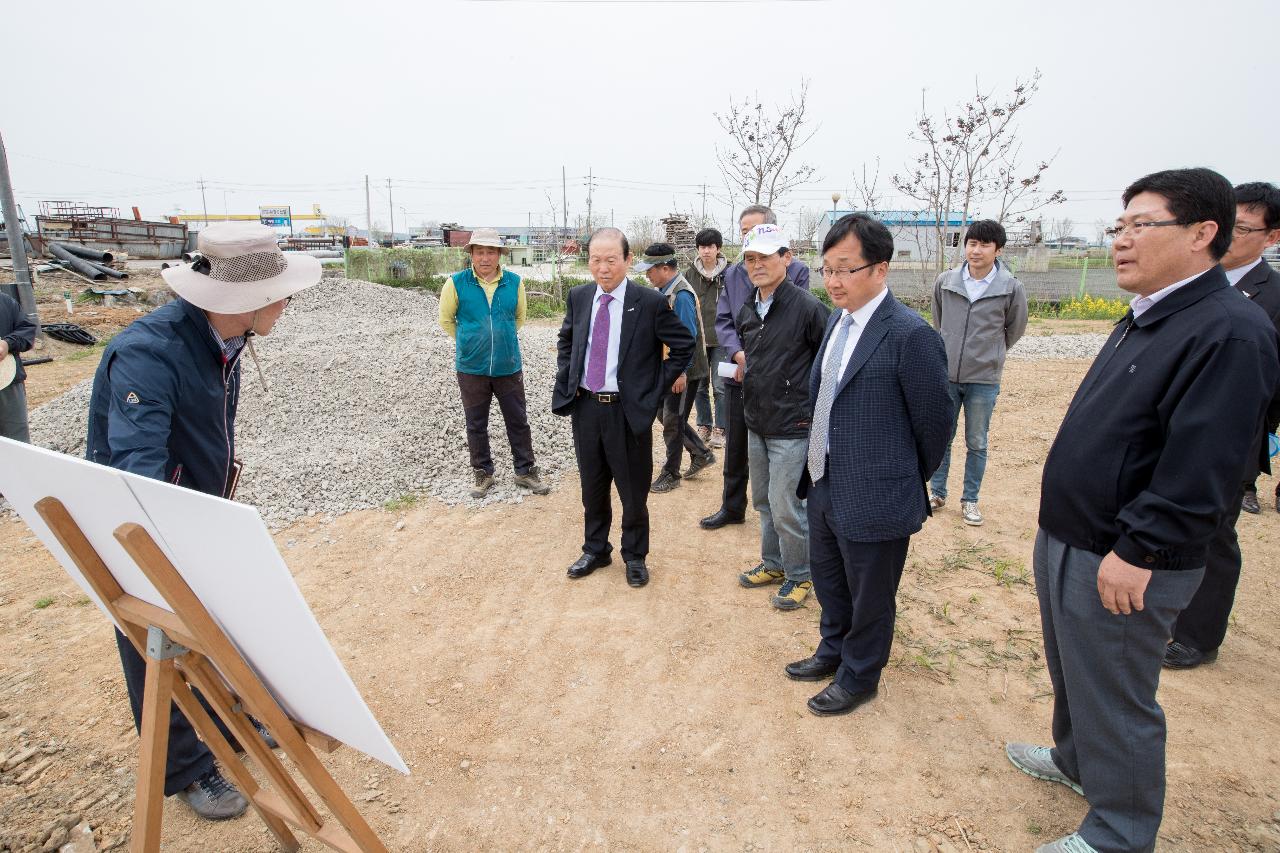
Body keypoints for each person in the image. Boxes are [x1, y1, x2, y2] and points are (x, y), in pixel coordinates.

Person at [1005, 168, 1279, 853]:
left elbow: (1204, 466)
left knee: (1119, 692)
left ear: (1201, 233)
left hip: (1127, 557)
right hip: (1074, 534)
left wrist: (1142, 551)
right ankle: (1075, 759)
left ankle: (1120, 830)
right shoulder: (1154, 311)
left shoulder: (1229, 331)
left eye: (1139, 225)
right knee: (1075, 668)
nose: (1120, 241)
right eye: (1118, 226)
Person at [85, 222, 322, 821]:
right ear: (243, 300)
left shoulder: (223, 339)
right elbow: (135, 473)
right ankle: (185, 769)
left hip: (195, 507)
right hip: (141, 526)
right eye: (281, 292)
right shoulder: (150, 352)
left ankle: (224, 723)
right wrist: (168, 544)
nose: (288, 302)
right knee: (157, 640)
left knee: (216, 623)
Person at [785, 214, 951, 713]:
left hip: (877, 492)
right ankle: (832, 649)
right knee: (831, 580)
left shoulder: (910, 335)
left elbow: (935, 424)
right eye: (826, 269)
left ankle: (860, 676)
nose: (832, 281)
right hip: (823, 479)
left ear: (880, 269)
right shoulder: (837, 321)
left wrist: (896, 477)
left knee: (871, 596)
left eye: (844, 269)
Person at [1164, 181, 1280, 670]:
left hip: (1231, 438)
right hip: (1172, 429)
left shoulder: (1271, 297)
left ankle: (1197, 635)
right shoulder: (1190, 283)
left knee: (1212, 533)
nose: (1230, 236)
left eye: (1245, 228)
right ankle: (1165, 611)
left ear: (1272, 237)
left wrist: (1258, 436)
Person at [552, 228, 693, 588]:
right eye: (596, 260)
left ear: (628, 261)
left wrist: (652, 388)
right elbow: (566, 340)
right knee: (592, 486)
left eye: (611, 260)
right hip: (586, 407)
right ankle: (596, 549)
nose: (603, 268)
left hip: (627, 410)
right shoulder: (580, 297)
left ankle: (634, 555)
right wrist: (568, 377)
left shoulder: (649, 302)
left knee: (633, 490)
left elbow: (683, 346)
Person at [732, 224, 829, 610]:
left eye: (765, 257)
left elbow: (825, 365)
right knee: (763, 501)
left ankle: (801, 575)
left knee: (788, 505)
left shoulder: (808, 308)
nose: (757, 265)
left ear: (786, 258)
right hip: (757, 419)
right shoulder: (748, 308)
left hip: (793, 424)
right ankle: (773, 563)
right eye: (750, 259)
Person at [700, 205, 811, 531]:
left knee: (781, 450)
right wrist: (737, 354)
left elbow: (795, 319)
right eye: (743, 230)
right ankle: (732, 506)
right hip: (740, 374)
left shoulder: (796, 271)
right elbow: (724, 319)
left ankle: (785, 514)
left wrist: (764, 356)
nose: (747, 236)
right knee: (736, 447)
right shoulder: (733, 274)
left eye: (754, 229)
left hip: (782, 380)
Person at [928, 219, 1028, 526]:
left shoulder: (1010, 288)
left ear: (998, 250)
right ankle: (937, 492)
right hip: (947, 375)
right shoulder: (946, 282)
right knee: (942, 436)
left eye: (985, 245)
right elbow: (939, 321)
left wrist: (990, 354)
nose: (977, 250)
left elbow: (1015, 328)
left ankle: (970, 499)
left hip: (983, 379)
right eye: (972, 243)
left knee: (977, 441)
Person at [438, 227, 549, 499]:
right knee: (476, 423)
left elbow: (519, 318)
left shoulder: (514, 282)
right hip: (471, 368)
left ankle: (524, 470)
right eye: (479, 252)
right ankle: (482, 472)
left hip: (508, 365)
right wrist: (470, 342)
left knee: (518, 420)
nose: (485, 257)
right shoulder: (456, 283)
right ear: (472, 255)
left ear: (499, 255)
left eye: (490, 252)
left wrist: (501, 341)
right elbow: (446, 321)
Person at [633, 243, 715, 493]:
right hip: (669, 369)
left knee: (672, 421)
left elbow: (688, 339)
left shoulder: (681, 296)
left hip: (683, 372)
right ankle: (701, 453)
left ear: (665, 268)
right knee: (665, 415)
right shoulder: (665, 291)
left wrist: (681, 372)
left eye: (650, 270)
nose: (647, 275)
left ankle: (671, 473)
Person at [686, 228, 728, 448]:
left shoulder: (729, 273)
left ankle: (721, 428)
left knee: (720, 386)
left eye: (711, 246)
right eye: (702, 247)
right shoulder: (690, 274)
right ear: (698, 249)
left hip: (722, 338)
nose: (706, 251)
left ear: (718, 248)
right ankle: (704, 425)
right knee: (699, 386)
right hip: (698, 339)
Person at [0, 290, 36, 443]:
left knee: (16, 441)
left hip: (7, 383)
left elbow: (27, 330)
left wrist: (7, 343)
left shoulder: (5, 302)